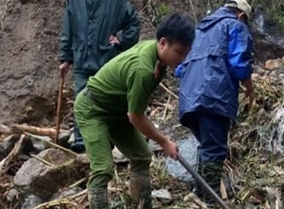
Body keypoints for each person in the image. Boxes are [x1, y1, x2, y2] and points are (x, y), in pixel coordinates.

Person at [73, 13, 196, 209]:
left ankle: (142, 205)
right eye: (179, 52)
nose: (183, 58)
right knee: (103, 168)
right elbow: (136, 117)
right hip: (93, 108)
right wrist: (164, 141)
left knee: (142, 156)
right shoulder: (142, 69)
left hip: (117, 110)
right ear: (163, 43)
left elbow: (133, 113)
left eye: (186, 53)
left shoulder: (155, 54)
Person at [176, 0, 255, 205]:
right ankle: (212, 201)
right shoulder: (236, 25)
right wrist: (250, 90)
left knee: (207, 146)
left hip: (187, 98)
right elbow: (239, 64)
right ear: (242, 15)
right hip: (215, 95)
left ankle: (198, 193)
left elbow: (179, 68)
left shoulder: (198, 31)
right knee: (215, 149)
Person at [58, 0, 141, 153]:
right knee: (81, 100)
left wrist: (121, 39)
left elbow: (134, 22)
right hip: (82, 60)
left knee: (104, 101)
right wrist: (65, 58)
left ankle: (107, 139)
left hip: (106, 60)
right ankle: (81, 142)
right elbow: (67, 31)